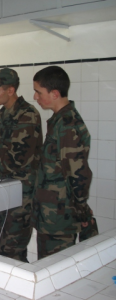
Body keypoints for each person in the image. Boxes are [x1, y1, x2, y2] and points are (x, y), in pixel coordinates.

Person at [0, 68, 43, 262]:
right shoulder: (4, 113)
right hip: (5, 189)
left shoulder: (27, 115)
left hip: (22, 194)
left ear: (10, 90)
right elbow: (2, 153)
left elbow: (19, 159)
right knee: (1, 246)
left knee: (12, 249)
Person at [31, 65, 97, 259]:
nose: (35, 97)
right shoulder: (59, 121)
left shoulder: (68, 125)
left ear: (55, 93)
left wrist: (82, 211)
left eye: (38, 92)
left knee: (55, 269)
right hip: (51, 215)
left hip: (60, 219)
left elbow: (79, 174)